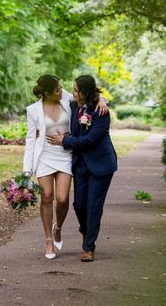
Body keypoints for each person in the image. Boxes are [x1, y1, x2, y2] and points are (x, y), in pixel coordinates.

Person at [23, 75, 108, 260]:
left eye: (62, 88)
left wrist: (101, 99)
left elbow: (90, 96)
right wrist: (26, 170)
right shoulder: (33, 110)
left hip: (65, 154)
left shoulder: (66, 99)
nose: (63, 91)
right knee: (46, 196)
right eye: (58, 89)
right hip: (44, 155)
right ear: (47, 93)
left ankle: (58, 228)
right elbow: (30, 140)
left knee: (62, 199)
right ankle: (48, 241)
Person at [47, 75, 118, 262]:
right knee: (79, 205)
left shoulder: (101, 112)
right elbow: (51, 95)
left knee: (94, 205)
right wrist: (102, 97)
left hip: (101, 165)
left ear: (85, 93)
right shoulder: (74, 105)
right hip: (80, 164)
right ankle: (87, 231)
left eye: (76, 90)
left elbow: (89, 140)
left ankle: (89, 247)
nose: (73, 93)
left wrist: (65, 141)